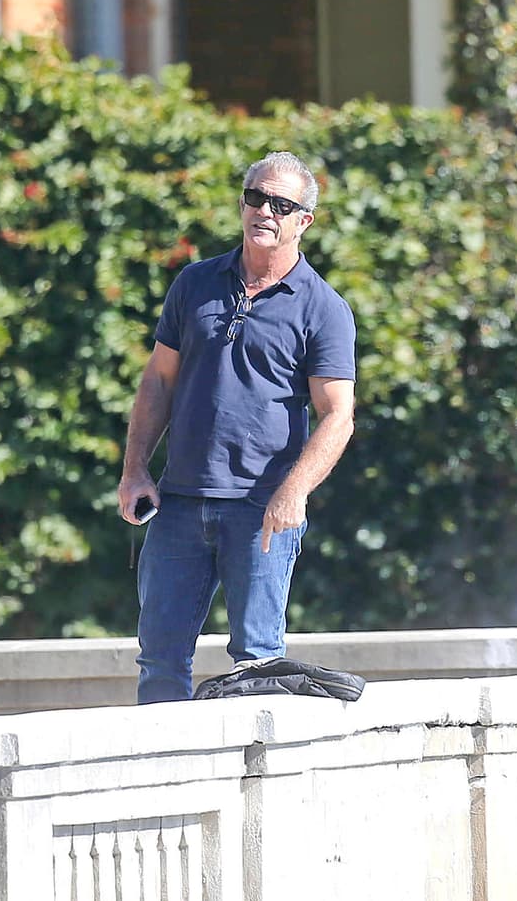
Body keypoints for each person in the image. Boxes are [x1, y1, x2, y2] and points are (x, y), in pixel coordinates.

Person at [117, 151, 356, 704]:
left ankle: (254, 788)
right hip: (178, 502)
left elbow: (338, 416)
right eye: (256, 197)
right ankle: (167, 780)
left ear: (304, 221)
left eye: (281, 204)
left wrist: (292, 493)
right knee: (159, 660)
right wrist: (135, 471)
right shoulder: (195, 283)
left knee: (258, 665)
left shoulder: (323, 308)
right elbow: (159, 382)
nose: (265, 211)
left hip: (262, 512)